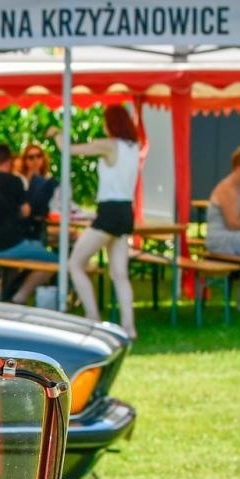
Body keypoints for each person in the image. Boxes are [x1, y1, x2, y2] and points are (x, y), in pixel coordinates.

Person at [51, 106, 141, 336]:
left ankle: (93, 319)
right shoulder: (133, 147)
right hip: (125, 211)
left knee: (75, 264)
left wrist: (56, 134)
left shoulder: (109, 145)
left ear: (111, 123)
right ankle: (129, 327)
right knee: (119, 273)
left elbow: (68, 149)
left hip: (109, 212)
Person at [0, 143, 57, 304]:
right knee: (54, 261)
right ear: (8, 162)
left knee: (19, 258)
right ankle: (20, 296)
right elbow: (26, 212)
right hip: (7, 244)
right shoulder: (14, 181)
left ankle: (2, 290)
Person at [205, 146, 240, 266]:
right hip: (222, 241)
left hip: (237, 237)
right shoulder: (228, 189)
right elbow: (233, 224)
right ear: (238, 169)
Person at [18, 142, 59, 239]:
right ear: (25, 160)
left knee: (71, 235)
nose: (35, 160)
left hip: (47, 222)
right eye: (31, 157)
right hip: (25, 226)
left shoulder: (49, 180)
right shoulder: (19, 180)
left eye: (38, 156)